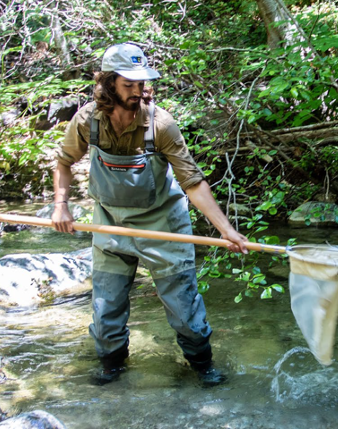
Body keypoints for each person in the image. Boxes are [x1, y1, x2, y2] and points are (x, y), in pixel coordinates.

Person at [52, 43, 248, 386]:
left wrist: (226, 230)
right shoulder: (87, 121)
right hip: (110, 224)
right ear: (109, 83)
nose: (137, 91)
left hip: (164, 223)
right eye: (129, 84)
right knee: (105, 313)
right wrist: (60, 205)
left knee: (185, 312)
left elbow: (193, 182)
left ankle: (203, 366)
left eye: (142, 83)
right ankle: (112, 366)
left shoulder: (161, 124)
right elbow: (64, 162)